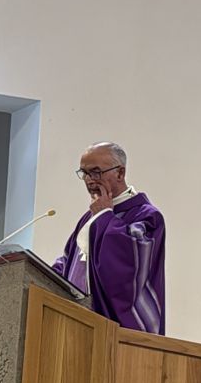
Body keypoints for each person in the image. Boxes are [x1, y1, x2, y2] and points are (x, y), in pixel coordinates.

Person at [52, 141, 166, 335]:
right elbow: (69, 264)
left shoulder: (147, 216)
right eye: (84, 173)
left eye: (96, 172)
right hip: (77, 324)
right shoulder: (90, 218)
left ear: (120, 173)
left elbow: (128, 269)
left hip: (121, 332)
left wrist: (105, 216)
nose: (89, 180)